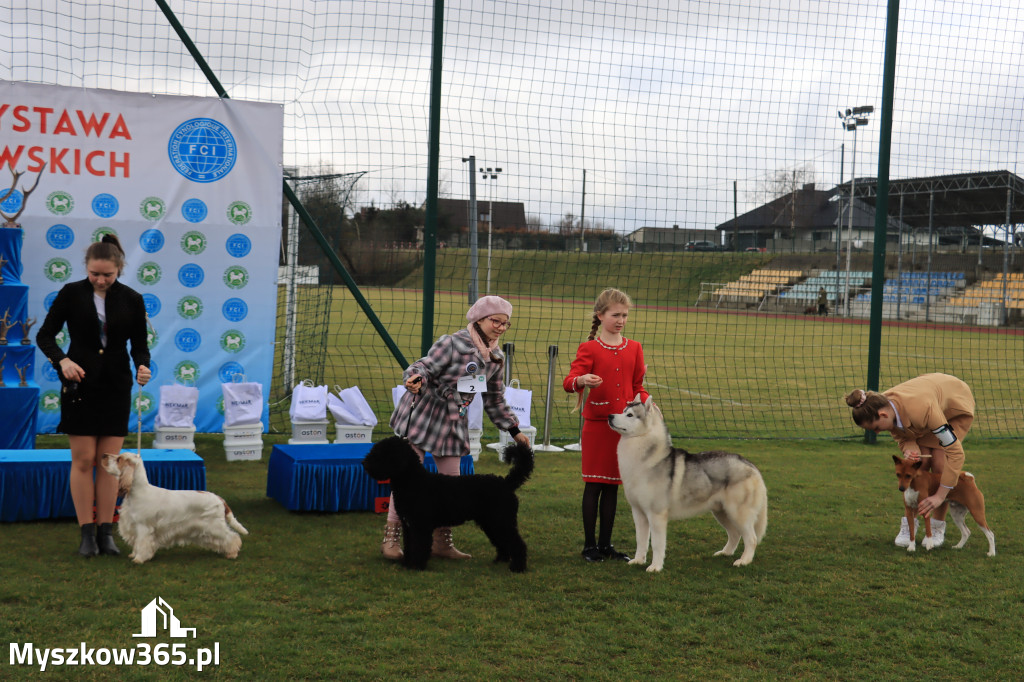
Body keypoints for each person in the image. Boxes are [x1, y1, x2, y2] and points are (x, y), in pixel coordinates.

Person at [383, 295, 530, 560]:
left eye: (505, 323)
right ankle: (391, 539)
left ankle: (442, 541)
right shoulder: (451, 343)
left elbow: (494, 399)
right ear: (478, 318)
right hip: (423, 414)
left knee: (451, 484)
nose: (500, 327)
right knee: (405, 482)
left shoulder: (496, 358)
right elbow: (423, 366)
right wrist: (414, 378)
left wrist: (514, 430)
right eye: (495, 320)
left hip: (452, 423)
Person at [37, 234, 151, 557]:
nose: (100, 280)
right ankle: (86, 534)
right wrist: (63, 360)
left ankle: (106, 533)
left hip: (116, 387)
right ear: (86, 268)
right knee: (84, 460)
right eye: (94, 274)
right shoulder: (71, 294)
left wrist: (143, 365)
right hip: (80, 387)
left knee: (109, 464)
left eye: (107, 275)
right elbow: (45, 335)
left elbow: (139, 345)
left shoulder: (132, 299)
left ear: (119, 269)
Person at [563, 288, 648, 562]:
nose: (621, 320)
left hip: (623, 430)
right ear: (600, 316)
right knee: (594, 485)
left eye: (624, 315)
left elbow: (637, 387)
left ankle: (605, 546)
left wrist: (648, 402)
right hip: (597, 426)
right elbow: (569, 381)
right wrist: (582, 380)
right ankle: (589, 546)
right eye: (615, 315)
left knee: (612, 485)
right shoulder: (589, 348)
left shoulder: (634, 347)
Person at [844, 373, 975, 548]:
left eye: (875, 428)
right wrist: (910, 450)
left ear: (882, 415)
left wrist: (939, 496)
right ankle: (909, 525)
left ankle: (937, 526)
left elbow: (955, 452)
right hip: (928, 407)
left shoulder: (922, 409)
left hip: (954, 406)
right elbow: (903, 438)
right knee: (920, 462)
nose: (876, 433)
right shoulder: (882, 406)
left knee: (938, 463)